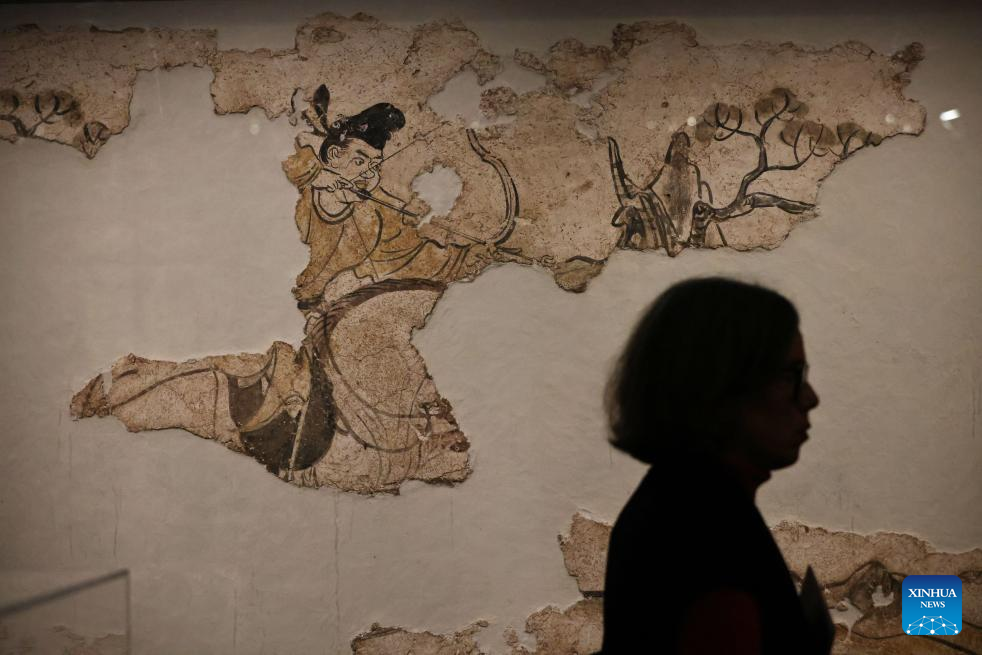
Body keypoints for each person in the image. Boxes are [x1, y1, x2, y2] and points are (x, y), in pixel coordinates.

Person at [601, 277, 831, 655]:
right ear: (719, 383)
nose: (810, 398)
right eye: (791, 375)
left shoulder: (685, 500)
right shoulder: (706, 532)